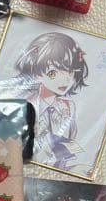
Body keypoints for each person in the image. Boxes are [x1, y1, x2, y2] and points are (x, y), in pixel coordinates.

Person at [11, 30, 88, 170]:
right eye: (53, 73)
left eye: (71, 72)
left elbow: (71, 142)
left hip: (58, 169)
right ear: (35, 73)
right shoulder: (25, 105)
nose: (66, 80)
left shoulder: (68, 107)